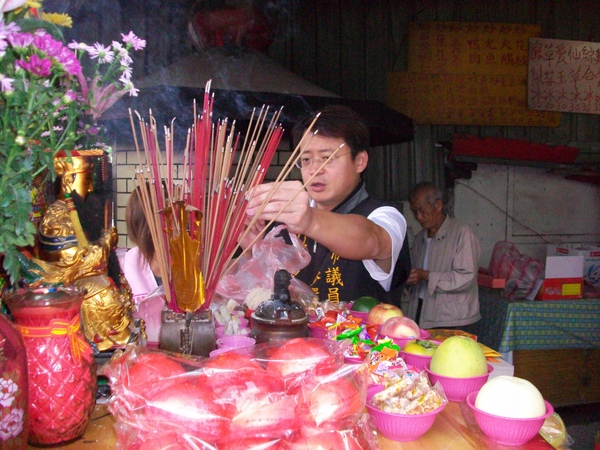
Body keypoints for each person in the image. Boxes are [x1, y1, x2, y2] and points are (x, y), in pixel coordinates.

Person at [244, 105, 410, 304]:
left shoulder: (385, 216)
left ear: (360, 161)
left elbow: (371, 240)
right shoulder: (284, 219)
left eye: (327, 158)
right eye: (306, 159)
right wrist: (254, 250)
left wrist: (309, 220)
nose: (315, 170)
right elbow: (263, 294)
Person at [404, 182, 481, 330]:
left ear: (438, 206)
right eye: (414, 212)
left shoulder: (462, 233)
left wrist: (427, 276)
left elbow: (466, 277)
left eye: (422, 211)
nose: (418, 217)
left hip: (453, 319)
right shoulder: (420, 238)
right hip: (421, 313)